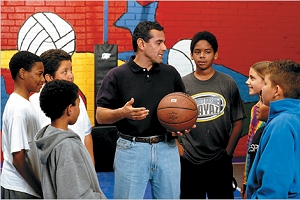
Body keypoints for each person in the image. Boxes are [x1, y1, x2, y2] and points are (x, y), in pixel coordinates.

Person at [95, 21, 186, 199]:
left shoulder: (171, 74)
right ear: (142, 44)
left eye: (164, 42)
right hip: (131, 149)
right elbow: (100, 116)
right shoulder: (116, 75)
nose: (164, 47)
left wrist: (182, 126)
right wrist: (123, 112)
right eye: (158, 42)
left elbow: (183, 110)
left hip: (167, 148)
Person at [178, 31, 247, 199]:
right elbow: (171, 121)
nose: (202, 56)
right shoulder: (182, 84)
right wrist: (179, 148)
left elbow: (238, 122)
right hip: (189, 161)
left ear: (216, 54)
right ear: (191, 55)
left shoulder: (227, 83)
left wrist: (228, 153)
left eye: (207, 52)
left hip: (219, 160)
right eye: (197, 52)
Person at [35, 79, 106, 199]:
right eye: (78, 104)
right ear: (70, 109)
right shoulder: (66, 147)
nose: (79, 109)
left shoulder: (49, 136)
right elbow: (73, 195)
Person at [29, 49, 95, 165]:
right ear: (49, 77)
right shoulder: (34, 102)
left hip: (79, 166)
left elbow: (86, 134)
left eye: (71, 70)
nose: (71, 76)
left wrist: (91, 168)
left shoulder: (76, 98)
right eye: (64, 72)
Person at [246, 59, 300, 198]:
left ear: (276, 90)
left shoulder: (282, 124)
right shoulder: (294, 117)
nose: (262, 88)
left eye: (265, 84)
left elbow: (274, 185)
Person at [1, 51, 44, 199]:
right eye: (39, 74)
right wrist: (40, 188)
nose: (43, 79)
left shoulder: (25, 104)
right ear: (23, 73)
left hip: (26, 189)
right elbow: (18, 158)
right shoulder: (18, 109)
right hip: (20, 190)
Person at [241, 61, 270, 198]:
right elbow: (250, 149)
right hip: (253, 180)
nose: (247, 82)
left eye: (252, 78)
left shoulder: (274, 113)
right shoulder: (255, 110)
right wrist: (246, 181)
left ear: (266, 82)